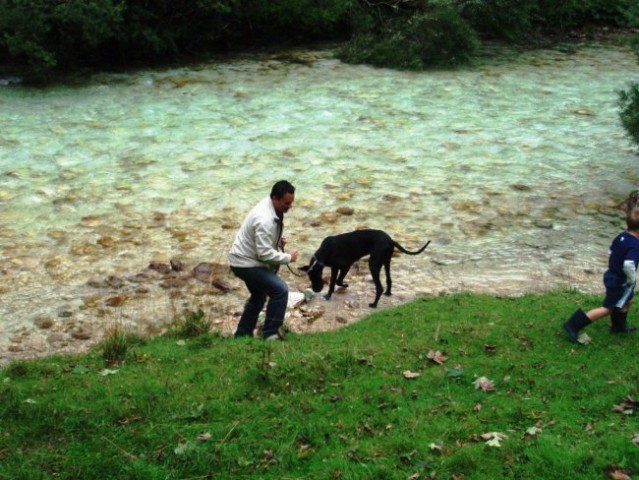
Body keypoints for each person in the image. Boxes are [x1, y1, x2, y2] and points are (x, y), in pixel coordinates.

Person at [563, 190, 639, 342]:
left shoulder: (622, 236)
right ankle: (573, 324)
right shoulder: (635, 245)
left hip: (611, 275)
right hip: (620, 281)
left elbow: (611, 250)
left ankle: (618, 326)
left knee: (627, 300)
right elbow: (629, 264)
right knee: (608, 308)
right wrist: (632, 279)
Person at [228, 180, 299, 340]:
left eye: (291, 202)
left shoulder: (270, 206)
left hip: (243, 259)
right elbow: (264, 254)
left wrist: (277, 239)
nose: (290, 206)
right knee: (280, 290)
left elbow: (264, 239)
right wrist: (288, 258)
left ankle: (242, 335)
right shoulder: (264, 219)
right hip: (245, 263)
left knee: (259, 296)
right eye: (287, 203)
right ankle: (271, 334)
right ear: (275, 198)